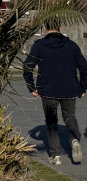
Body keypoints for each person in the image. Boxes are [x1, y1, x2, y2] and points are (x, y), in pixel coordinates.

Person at [23, 21, 87, 165]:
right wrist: (83, 87)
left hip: (48, 89)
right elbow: (84, 67)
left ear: (44, 28)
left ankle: (56, 155)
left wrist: (32, 87)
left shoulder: (39, 45)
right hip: (69, 89)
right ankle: (74, 139)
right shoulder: (71, 45)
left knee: (51, 120)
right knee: (70, 116)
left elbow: (27, 67)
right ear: (60, 27)